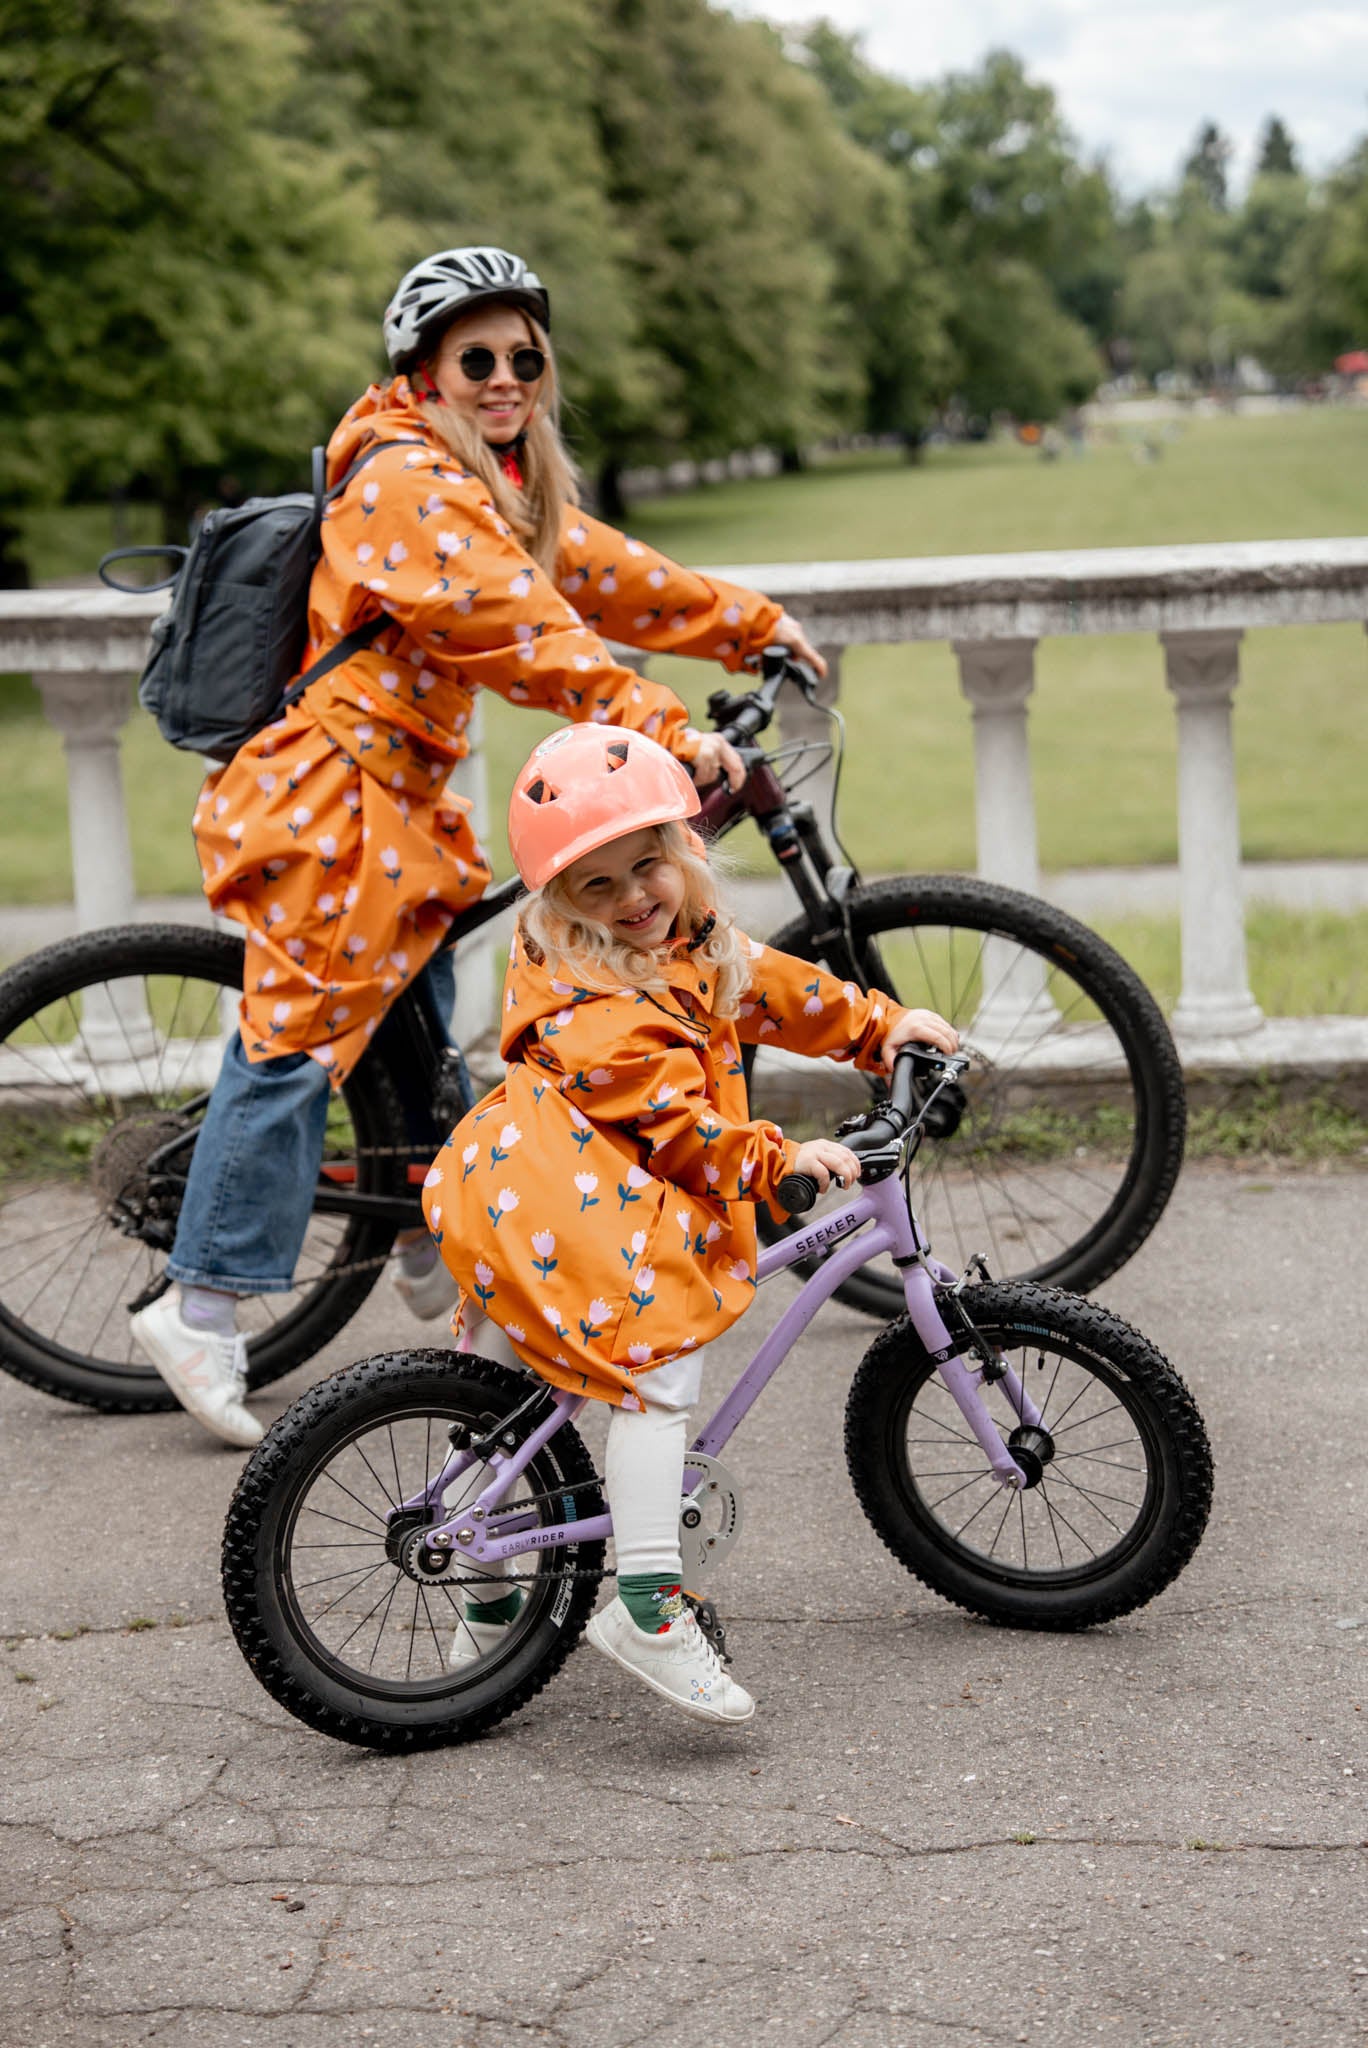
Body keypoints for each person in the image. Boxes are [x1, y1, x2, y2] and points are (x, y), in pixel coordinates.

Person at [130, 245, 825, 1449]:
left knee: (414, 1039)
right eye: (477, 358)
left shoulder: (495, 478)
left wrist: (749, 625)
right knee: (292, 1045)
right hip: (331, 804)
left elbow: (598, 575)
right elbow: (515, 628)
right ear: (425, 367)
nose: (505, 377)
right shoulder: (401, 478)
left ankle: (421, 1239)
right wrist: (656, 720)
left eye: (524, 358)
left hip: (397, 814)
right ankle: (200, 1305)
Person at [422, 723, 958, 1725]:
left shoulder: (676, 940)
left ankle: (488, 1607)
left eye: (648, 864)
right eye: (598, 886)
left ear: (683, 847)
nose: (634, 896)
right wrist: (781, 1161)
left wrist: (879, 1027)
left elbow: (765, 982)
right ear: (558, 902)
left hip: (534, 1187)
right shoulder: (598, 1001)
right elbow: (685, 1133)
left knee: (497, 1394)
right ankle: (645, 1607)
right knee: (653, 1377)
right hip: (569, 1205)